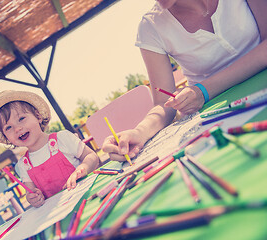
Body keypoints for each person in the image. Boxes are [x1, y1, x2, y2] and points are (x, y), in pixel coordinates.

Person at [102, 0, 267, 162]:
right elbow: (163, 104)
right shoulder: (151, 26)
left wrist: (203, 90)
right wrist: (139, 132)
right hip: (215, 119)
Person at [0, 90, 100, 207]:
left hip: (89, 198)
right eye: (8, 127)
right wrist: (33, 198)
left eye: (21, 119)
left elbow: (92, 156)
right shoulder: (23, 165)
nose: (17, 129)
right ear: (6, 137)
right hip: (59, 213)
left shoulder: (62, 139)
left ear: (38, 116)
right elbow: (31, 193)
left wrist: (83, 168)